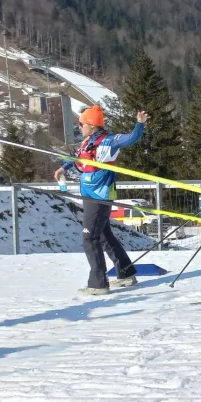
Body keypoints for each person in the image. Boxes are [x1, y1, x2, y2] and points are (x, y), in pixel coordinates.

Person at [54, 104, 148, 295]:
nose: (79, 127)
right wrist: (64, 168)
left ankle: (98, 283)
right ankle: (126, 273)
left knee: (90, 237)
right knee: (104, 235)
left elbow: (132, 138)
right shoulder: (87, 142)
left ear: (92, 125)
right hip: (89, 194)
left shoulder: (110, 141)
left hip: (100, 195)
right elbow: (78, 158)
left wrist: (139, 124)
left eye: (81, 124)